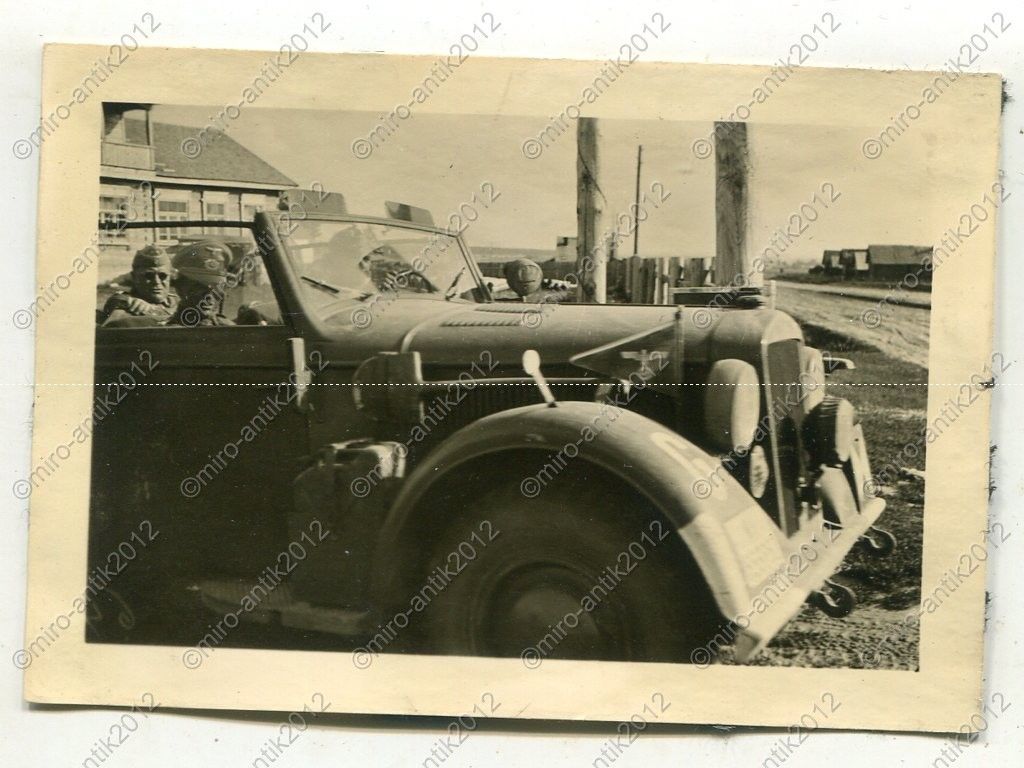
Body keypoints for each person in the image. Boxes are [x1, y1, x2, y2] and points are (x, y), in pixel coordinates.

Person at [99, 246, 179, 326]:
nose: (157, 282)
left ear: (170, 277)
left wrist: (153, 309)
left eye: (162, 276)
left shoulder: (175, 301)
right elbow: (115, 301)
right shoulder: (126, 303)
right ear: (134, 277)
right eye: (149, 276)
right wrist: (128, 302)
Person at [167, 241, 236, 327]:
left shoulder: (229, 328)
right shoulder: (168, 333)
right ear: (180, 288)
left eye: (217, 288)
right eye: (200, 287)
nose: (209, 297)